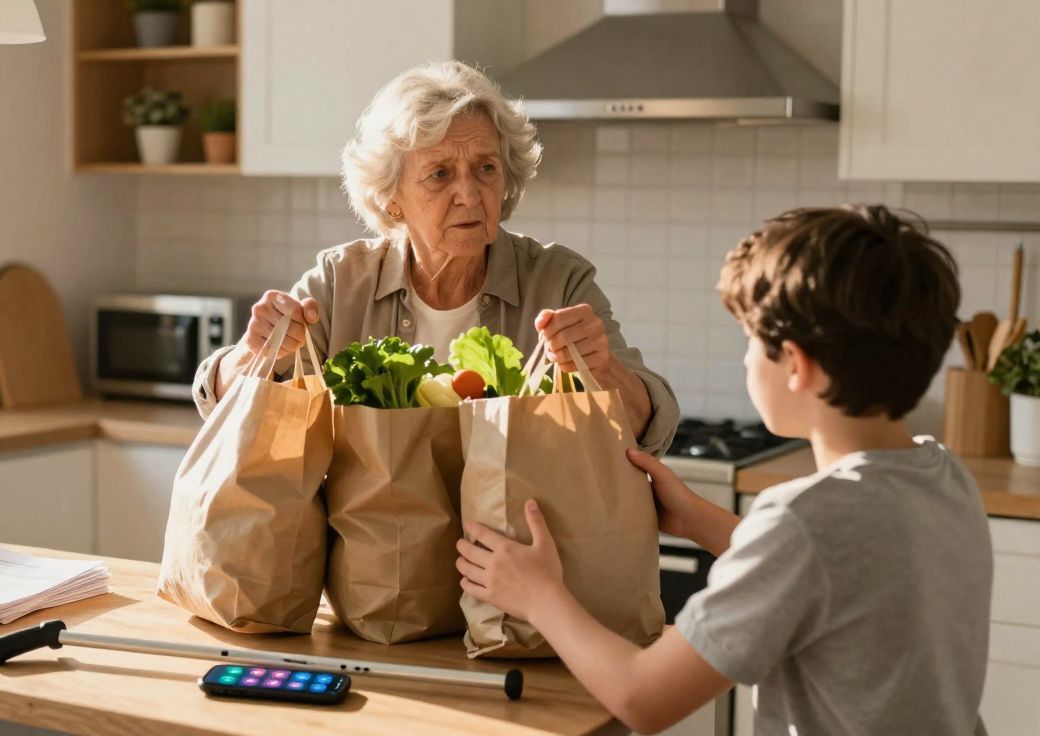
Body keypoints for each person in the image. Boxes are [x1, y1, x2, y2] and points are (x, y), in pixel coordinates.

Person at [456, 205, 991, 734]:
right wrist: (694, 519)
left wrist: (540, 597)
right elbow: (837, 574)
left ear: (797, 365)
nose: (745, 359)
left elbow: (642, 698)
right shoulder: (941, 474)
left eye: (752, 341)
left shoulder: (803, 521)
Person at [192, 60, 679, 454]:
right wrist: (249, 358)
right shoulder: (340, 282)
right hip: (376, 566)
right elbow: (223, 407)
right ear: (392, 196)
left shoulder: (559, 282)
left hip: (519, 562)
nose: (469, 194)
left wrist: (604, 371)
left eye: (485, 168)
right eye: (440, 174)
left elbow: (648, 429)